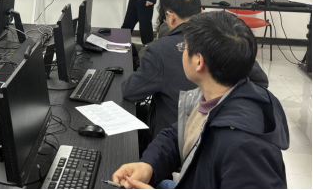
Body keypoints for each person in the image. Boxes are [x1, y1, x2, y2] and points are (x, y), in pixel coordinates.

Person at [113, 11, 289, 190]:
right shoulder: (215, 97)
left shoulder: (244, 147)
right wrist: (148, 165)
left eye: (184, 47)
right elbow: (179, 135)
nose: (182, 51)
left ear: (199, 62)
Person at [123, 0, 200, 141]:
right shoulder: (222, 41)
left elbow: (130, 92)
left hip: (170, 138)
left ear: (170, 16)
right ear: (201, 12)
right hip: (208, 133)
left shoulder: (161, 49)